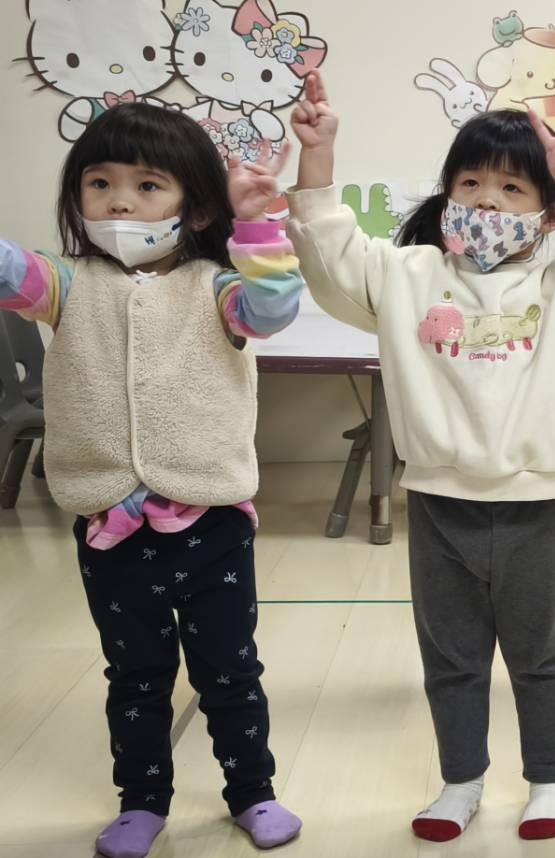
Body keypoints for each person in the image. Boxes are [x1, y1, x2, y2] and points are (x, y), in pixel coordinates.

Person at [285, 72, 555, 842]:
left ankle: (549, 782)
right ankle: (460, 782)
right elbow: (329, 253)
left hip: (535, 507)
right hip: (440, 504)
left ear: (549, 214)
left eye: (512, 188)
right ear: (447, 194)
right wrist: (316, 158)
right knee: (451, 659)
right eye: (470, 183)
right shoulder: (409, 276)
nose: (487, 201)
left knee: (539, 658)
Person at [0, 103, 306, 858]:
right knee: (135, 676)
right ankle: (141, 801)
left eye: (146, 186)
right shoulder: (66, 283)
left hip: (210, 519)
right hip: (109, 520)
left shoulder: (218, 286)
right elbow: (8, 269)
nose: (118, 203)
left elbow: (272, 311)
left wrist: (257, 226)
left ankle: (252, 791)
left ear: (193, 206)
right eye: (99, 183)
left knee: (230, 671)